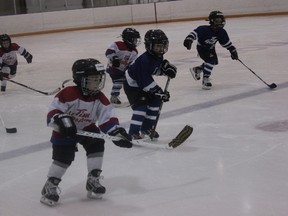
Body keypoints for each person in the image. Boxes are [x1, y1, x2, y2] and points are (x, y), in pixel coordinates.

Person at [40, 58, 132, 206]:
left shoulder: (99, 98)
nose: (97, 82)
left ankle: (93, 180)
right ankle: (50, 185)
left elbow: (107, 117)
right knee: (64, 158)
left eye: (99, 79)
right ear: (81, 79)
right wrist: (62, 120)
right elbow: (53, 111)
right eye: (93, 79)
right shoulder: (67, 93)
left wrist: (116, 132)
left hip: (87, 128)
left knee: (97, 144)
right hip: (65, 131)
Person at [124, 29, 177, 140]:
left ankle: (146, 128)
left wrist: (165, 71)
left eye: (162, 46)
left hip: (142, 83)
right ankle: (133, 132)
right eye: (157, 46)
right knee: (141, 107)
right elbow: (144, 80)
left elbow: (153, 71)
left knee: (156, 100)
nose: (160, 49)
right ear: (149, 46)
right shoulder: (144, 60)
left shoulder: (157, 57)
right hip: (132, 86)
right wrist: (158, 91)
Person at [183, 11, 238, 90]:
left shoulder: (221, 32)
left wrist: (232, 49)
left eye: (221, 20)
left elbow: (225, 42)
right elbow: (194, 33)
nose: (220, 22)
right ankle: (205, 79)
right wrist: (189, 39)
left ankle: (198, 69)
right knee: (211, 61)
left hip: (211, 49)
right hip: (202, 48)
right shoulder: (204, 29)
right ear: (212, 21)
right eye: (217, 20)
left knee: (214, 62)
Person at [105, 28, 141, 105]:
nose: (136, 41)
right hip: (113, 68)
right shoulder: (118, 45)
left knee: (127, 82)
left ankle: (133, 95)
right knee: (118, 81)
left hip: (123, 70)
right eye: (134, 39)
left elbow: (132, 63)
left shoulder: (135, 51)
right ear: (128, 39)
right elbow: (108, 52)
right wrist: (114, 57)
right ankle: (114, 96)